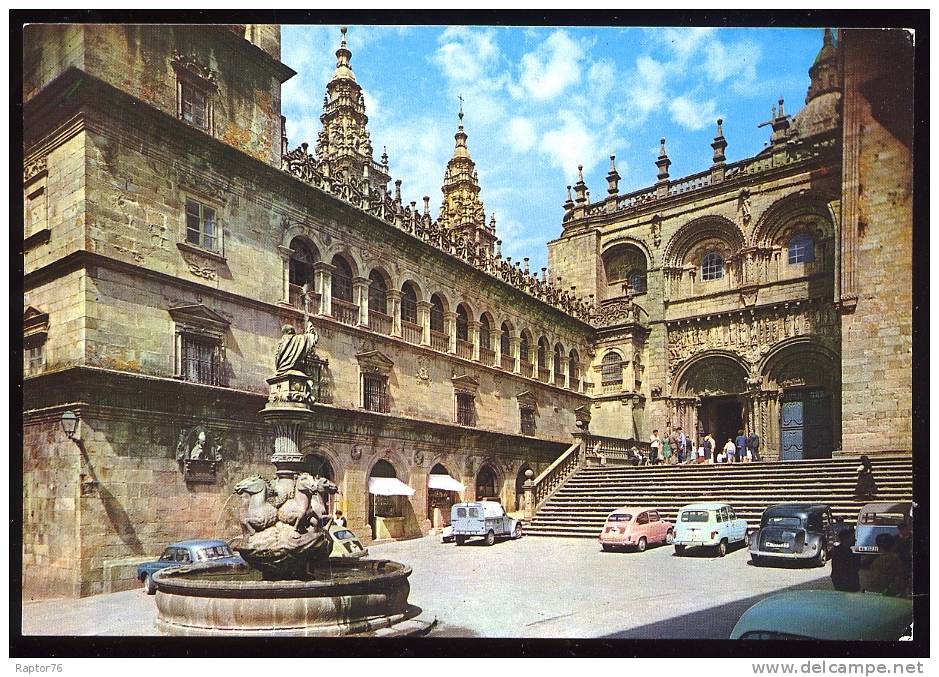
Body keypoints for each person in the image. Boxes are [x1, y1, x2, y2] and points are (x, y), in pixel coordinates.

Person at [865, 533, 905, 597]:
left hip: (880, 595)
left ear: (878, 546)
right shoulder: (897, 559)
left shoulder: (878, 561)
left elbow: (875, 581)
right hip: (892, 594)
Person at [896, 523, 913, 594]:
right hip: (899, 560)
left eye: (905, 529)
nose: (904, 531)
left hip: (909, 561)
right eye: (901, 530)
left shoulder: (912, 537)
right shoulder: (896, 538)